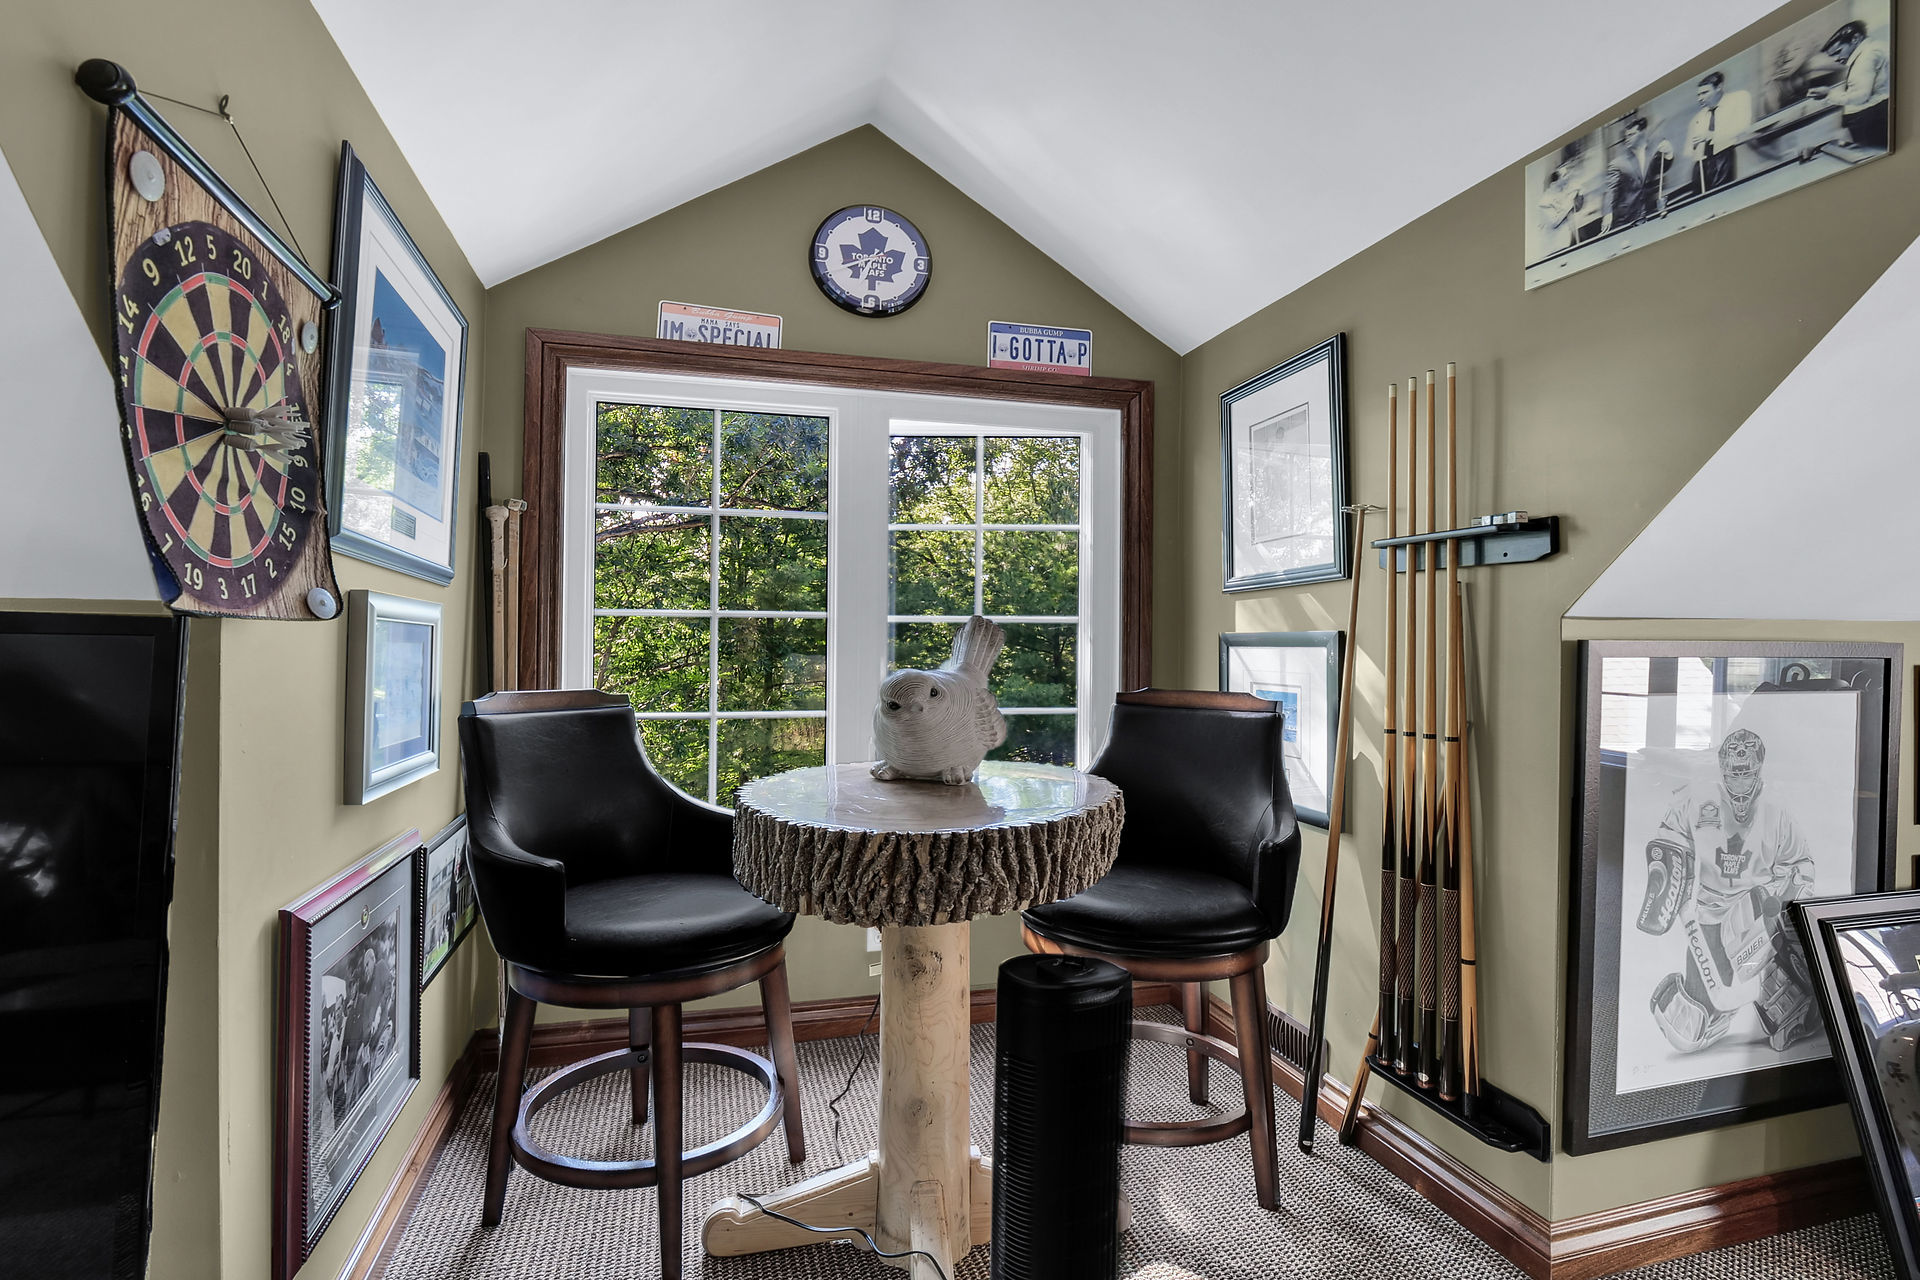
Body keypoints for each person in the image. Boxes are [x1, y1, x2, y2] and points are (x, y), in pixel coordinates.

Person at [1637, 726, 1821, 1056]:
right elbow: (1667, 844)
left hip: (1759, 905)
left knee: (1780, 993)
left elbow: (1801, 867)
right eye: (1733, 772)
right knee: (1690, 1028)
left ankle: (1791, 1002)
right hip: (1709, 908)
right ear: (1722, 767)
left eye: (1745, 771)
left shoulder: (1778, 810)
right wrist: (1669, 877)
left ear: (1758, 768)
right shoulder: (1694, 799)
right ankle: (1719, 1013)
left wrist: (1784, 909)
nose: (1739, 779)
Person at [1807, 20, 1890, 151]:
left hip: (1877, 119)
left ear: (1855, 39)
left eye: (1838, 51)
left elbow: (1860, 97)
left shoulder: (1865, 58)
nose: (1836, 59)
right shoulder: (1875, 47)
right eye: (1832, 55)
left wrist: (1828, 94)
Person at [1685, 71, 1754, 195]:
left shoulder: (1738, 98)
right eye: (1698, 95)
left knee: (1725, 196)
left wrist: (1711, 135)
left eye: (1705, 93)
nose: (1700, 98)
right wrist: (1694, 148)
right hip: (1703, 166)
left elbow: (1744, 127)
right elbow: (1689, 151)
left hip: (1728, 158)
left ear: (1719, 87)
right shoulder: (1698, 118)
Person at [1602, 117, 1675, 231]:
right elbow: (1610, 191)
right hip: (1626, 221)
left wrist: (1669, 153)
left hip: (1649, 215)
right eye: (1626, 136)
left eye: (1631, 134)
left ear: (1642, 133)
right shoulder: (1617, 164)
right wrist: (1607, 213)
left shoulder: (1651, 153)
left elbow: (1662, 168)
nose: (1627, 139)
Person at [1537, 165, 1584, 252]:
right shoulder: (1544, 201)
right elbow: (1554, 222)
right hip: (1557, 245)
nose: (1568, 177)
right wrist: (1570, 201)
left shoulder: (1564, 191)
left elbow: (1576, 208)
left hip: (1571, 238)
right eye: (1564, 175)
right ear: (1555, 182)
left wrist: (1580, 193)